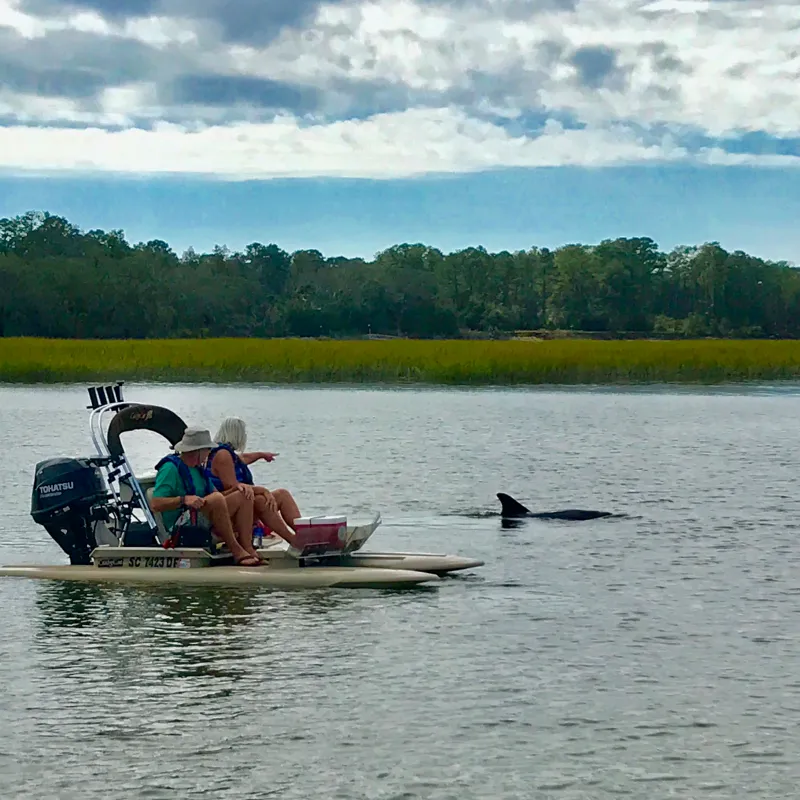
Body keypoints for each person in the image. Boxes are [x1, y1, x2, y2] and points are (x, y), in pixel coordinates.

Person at [149, 426, 263, 566]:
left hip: (200, 515)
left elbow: (217, 495)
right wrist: (184, 500)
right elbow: (155, 504)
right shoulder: (170, 469)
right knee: (216, 499)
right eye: (208, 450)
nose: (210, 453)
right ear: (197, 451)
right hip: (180, 527)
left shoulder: (198, 469)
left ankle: (248, 548)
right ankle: (237, 551)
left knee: (243, 495)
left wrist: (240, 488)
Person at [207, 416, 302, 548]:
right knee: (261, 501)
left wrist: (262, 455)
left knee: (282, 494)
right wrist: (263, 491)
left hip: (242, 504)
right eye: (244, 433)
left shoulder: (228, 454)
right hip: (228, 510)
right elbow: (235, 488)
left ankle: (304, 533)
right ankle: (295, 541)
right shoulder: (223, 455)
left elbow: (244, 458)